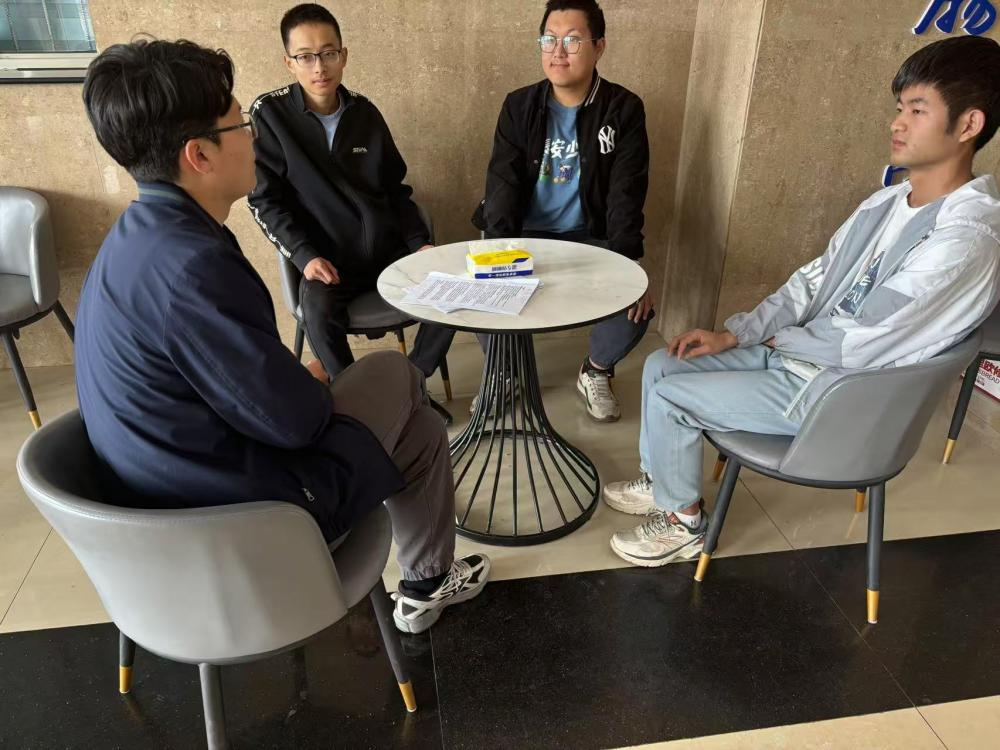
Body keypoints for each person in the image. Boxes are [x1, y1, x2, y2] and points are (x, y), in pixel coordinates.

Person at [76, 37, 489, 634]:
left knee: (420, 428)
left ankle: (426, 586)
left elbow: (227, 382)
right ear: (199, 154)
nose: (253, 138)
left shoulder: (136, 238)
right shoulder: (193, 266)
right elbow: (295, 423)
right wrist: (309, 384)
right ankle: (423, 581)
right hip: (240, 521)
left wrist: (298, 381)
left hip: (171, 495)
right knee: (395, 372)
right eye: (240, 125)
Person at [602, 35, 1000, 567]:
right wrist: (737, 333)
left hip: (840, 391)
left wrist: (776, 341)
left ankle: (684, 524)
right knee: (662, 364)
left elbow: (866, 337)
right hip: (803, 359)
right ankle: (664, 481)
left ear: (968, 125)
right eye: (899, 108)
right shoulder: (887, 202)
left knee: (674, 398)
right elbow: (811, 281)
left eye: (917, 110)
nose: (897, 123)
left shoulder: (966, 238)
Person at [248, 3, 455, 388]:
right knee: (316, 312)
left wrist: (420, 244)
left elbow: (395, 190)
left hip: (387, 253)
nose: (319, 67)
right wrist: (305, 256)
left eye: (328, 53)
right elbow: (264, 201)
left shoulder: (365, 113)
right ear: (289, 63)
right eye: (305, 56)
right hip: (329, 263)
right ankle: (355, 394)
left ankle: (411, 382)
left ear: (343, 56)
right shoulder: (271, 115)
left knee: (452, 289)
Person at [472, 0, 654, 422]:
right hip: (524, 234)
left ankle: (596, 369)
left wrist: (630, 266)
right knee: (482, 291)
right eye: (549, 39)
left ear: (599, 46)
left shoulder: (623, 108)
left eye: (572, 40)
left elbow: (627, 193)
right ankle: (506, 370)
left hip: (590, 236)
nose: (558, 51)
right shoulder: (519, 105)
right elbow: (501, 186)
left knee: (636, 305)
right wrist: (497, 255)